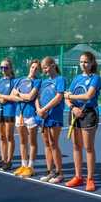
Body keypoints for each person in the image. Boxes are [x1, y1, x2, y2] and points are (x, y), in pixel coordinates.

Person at [64, 52, 101, 191]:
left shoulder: (95, 78)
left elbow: (88, 95)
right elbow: (66, 98)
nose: (83, 64)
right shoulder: (76, 78)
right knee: (76, 146)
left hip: (89, 113)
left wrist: (70, 96)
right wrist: (73, 107)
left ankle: (90, 179)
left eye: (86, 62)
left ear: (92, 63)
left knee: (88, 147)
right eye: (81, 62)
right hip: (74, 112)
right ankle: (78, 176)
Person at [36, 56, 66, 184]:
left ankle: (59, 173)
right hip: (42, 117)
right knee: (47, 144)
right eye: (43, 69)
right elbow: (36, 97)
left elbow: (59, 97)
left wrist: (45, 109)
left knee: (54, 144)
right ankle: (50, 171)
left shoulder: (60, 79)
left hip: (54, 117)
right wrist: (39, 109)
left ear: (53, 65)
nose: (45, 70)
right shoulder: (43, 81)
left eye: (46, 67)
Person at [11, 59, 42, 178]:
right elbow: (12, 96)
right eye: (32, 67)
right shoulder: (20, 80)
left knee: (32, 142)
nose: (34, 69)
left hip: (31, 115)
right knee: (22, 141)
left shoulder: (38, 81)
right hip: (19, 114)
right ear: (30, 67)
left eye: (36, 68)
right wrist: (21, 97)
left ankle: (30, 167)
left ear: (39, 71)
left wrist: (19, 95)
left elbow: (30, 97)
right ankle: (23, 165)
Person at [0, 58, 18, 171]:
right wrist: (0, 98)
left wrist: (2, 98)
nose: (3, 69)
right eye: (2, 67)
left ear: (11, 68)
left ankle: (9, 161)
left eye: (6, 67)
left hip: (10, 111)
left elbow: (14, 97)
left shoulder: (15, 81)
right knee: (2, 137)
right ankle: (3, 160)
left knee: (9, 137)